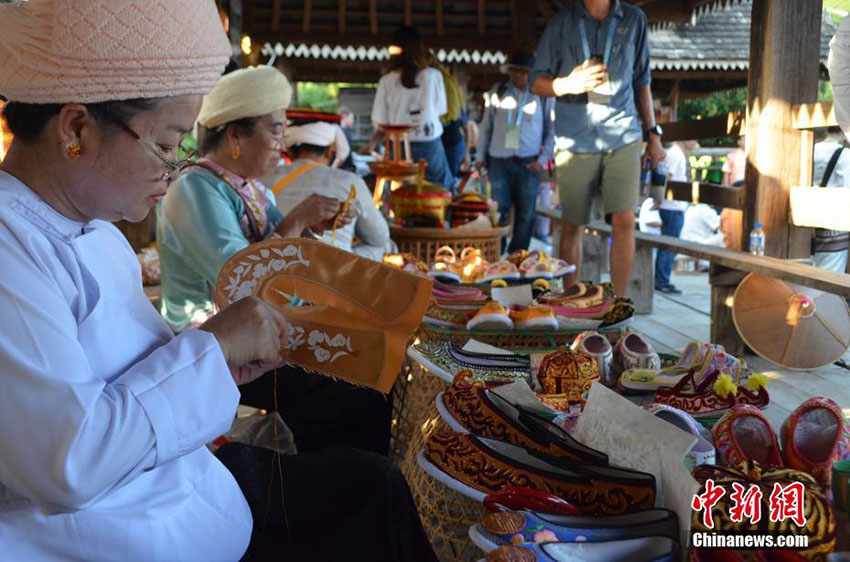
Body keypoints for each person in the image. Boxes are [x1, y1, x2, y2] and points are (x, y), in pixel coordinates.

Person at [0, 1, 435, 561]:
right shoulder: (12, 248)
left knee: (368, 480)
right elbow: (70, 463)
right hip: (105, 528)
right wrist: (211, 347)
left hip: (166, 482)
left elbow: (130, 367)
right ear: (77, 127)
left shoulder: (98, 233)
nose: (176, 167)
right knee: (364, 493)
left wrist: (220, 361)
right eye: (166, 143)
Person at [157, 67, 394, 459]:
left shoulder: (253, 189)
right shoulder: (193, 189)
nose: (280, 144)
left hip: (268, 329)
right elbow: (238, 280)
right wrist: (296, 221)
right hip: (216, 342)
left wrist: (313, 229)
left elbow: (288, 265)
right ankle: (324, 484)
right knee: (351, 387)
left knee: (373, 354)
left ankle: (339, 475)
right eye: (275, 131)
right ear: (235, 136)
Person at [531, 0, 666, 298]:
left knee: (626, 219)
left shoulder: (634, 20)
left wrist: (653, 133)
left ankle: (617, 304)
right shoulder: (561, 23)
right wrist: (567, 84)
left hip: (624, 133)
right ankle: (573, 301)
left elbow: (642, 80)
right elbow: (535, 81)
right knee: (572, 224)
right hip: (575, 138)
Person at [265, 121, 391, 260]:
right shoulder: (350, 180)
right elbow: (379, 237)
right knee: (385, 245)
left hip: (275, 256)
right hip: (331, 265)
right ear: (328, 152)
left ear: (289, 152)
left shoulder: (262, 178)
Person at [477, 51, 555, 252]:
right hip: (498, 161)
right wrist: (480, 157)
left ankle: (517, 257)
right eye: (516, 71)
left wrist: (542, 159)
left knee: (526, 214)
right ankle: (494, 252)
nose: (519, 76)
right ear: (510, 72)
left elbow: (551, 130)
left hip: (528, 163)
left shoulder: (543, 96)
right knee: (497, 211)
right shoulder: (498, 91)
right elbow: (486, 127)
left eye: (524, 72)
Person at [371, 25, 454, 188]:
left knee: (400, 193)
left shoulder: (387, 80)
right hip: (429, 143)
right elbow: (440, 111)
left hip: (399, 148)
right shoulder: (434, 76)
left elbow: (379, 121)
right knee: (438, 190)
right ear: (420, 49)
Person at [654, 140, 696, 294]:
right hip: (672, 206)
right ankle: (662, 280)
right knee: (669, 245)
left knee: (666, 244)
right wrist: (659, 199)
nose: (694, 143)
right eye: (691, 140)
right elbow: (667, 177)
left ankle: (661, 279)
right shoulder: (676, 154)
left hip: (671, 205)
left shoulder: (676, 153)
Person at [810, 127, 850, 272]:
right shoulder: (845, 154)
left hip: (809, 221)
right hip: (835, 223)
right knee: (832, 275)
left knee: (809, 270)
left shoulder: (811, 149)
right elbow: (847, 189)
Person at [337, 105, 357, 171]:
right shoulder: (344, 132)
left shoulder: (335, 129)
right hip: (343, 168)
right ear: (344, 117)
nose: (353, 121)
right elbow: (344, 153)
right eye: (352, 118)